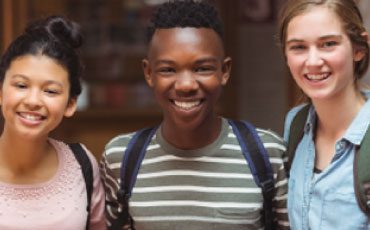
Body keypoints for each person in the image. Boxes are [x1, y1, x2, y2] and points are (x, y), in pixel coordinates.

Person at [100, 1, 289, 229]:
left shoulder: (267, 154)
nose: (186, 85)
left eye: (202, 68)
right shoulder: (121, 158)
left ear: (224, 71)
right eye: (168, 69)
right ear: (149, 73)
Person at [0, 15, 106, 229]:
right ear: (1, 92)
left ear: (70, 104)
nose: (33, 101)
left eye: (50, 91)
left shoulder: (81, 164)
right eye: (21, 85)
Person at [278, 0, 370, 229]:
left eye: (328, 44)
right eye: (298, 47)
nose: (313, 61)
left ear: (359, 48)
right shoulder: (296, 124)